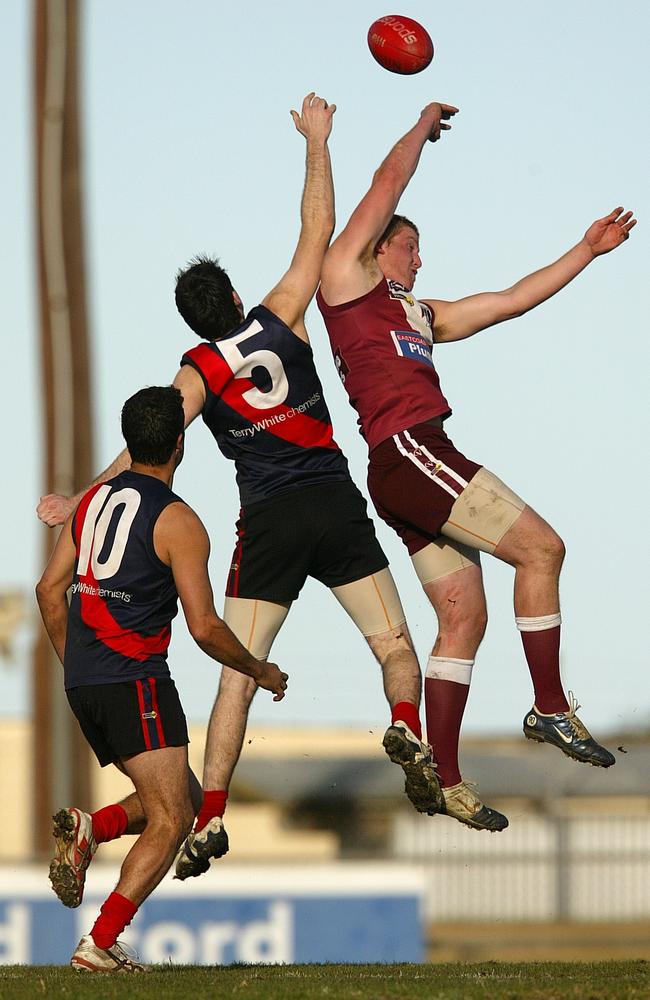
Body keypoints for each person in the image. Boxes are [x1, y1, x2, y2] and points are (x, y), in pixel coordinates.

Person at [37, 93, 442, 883]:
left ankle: (209, 813)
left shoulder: (196, 372)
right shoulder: (281, 313)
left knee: (238, 670)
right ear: (230, 300)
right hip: (331, 501)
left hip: (267, 521)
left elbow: (146, 443)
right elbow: (316, 232)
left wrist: (80, 501)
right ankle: (404, 724)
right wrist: (318, 140)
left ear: (193, 322)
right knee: (394, 644)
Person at [317, 100, 635, 831]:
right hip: (413, 451)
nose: (419, 257)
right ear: (380, 249)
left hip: (408, 467)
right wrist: (420, 125)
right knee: (544, 549)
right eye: (410, 247)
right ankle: (550, 706)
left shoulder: (419, 312)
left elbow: (510, 302)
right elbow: (386, 184)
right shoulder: (348, 277)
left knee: (464, 620)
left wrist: (586, 250)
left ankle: (449, 780)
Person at [36, 385, 287, 973]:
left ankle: (91, 827)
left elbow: (51, 590)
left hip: (87, 679)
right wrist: (258, 669)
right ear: (182, 443)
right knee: (173, 819)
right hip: (136, 681)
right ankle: (99, 944)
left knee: (184, 799)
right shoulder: (180, 522)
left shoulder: (93, 501)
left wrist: (77, 664)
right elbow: (205, 628)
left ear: (129, 442)